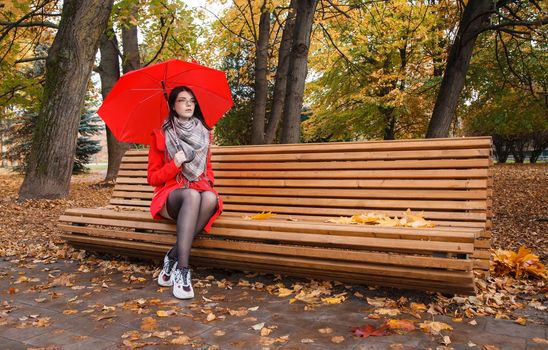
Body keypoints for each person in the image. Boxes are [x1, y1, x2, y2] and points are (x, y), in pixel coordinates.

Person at [147, 86, 223, 299]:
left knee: (209, 197)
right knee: (190, 195)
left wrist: (206, 181)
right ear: (173, 105)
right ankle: (182, 271)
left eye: (192, 100)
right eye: (182, 100)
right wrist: (175, 163)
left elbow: (208, 171)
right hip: (171, 196)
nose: (189, 104)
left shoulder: (204, 133)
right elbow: (153, 178)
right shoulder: (161, 135)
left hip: (198, 190)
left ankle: (171, 256)